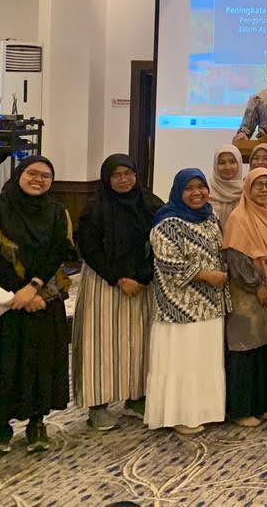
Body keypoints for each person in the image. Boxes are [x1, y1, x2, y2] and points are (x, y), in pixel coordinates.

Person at [0, 156, 74, 454]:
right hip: (4, 298)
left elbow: (59, 250)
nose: (39, 180)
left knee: (42, 360)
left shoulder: (57, 211)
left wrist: (33, 287)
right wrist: (20, 291)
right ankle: (1, 427)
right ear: (18, 175)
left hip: (44, 298)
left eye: (46, 176)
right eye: (32, 173)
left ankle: (37, 423)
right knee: (2, 361)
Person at [72, 153, 163, 431]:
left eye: (128, 174)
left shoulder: (151, 204)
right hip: (105, 283)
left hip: (142, 283)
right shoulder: (95, 208)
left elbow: (162, 241)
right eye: (116, 175)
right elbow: (89, 248)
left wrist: (143, 276)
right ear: (107, 179)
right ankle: (98, 406)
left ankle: (136, 398)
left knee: (139, 344)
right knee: (101, 346)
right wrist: (118, 278)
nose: (123, 180)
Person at [146, 168, 230, 435]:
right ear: (178, 192)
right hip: (179, 307)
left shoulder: (210, 217)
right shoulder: (167, 223)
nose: (197, 193)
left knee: (205, 360)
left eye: (201, 187)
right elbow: (169, 263)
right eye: (189, 188)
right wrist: (207, 276)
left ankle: (206, 411)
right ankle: (179, 414)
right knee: (182, 362)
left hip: (211, 305)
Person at [222, 168, 267, 427]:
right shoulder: (238, 218)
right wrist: (257, 286)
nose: (263, 190)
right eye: (258, 185)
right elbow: (235, 258)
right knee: (246, 348)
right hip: (247, 293)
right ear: (247, 188)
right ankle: (242, 409)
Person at [208, 144, 245, 223]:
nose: (227, 167)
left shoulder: (247, 192)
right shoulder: (207, 194)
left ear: (239, 163)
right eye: (222, 163)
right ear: (215, 165)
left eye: (232, 162)